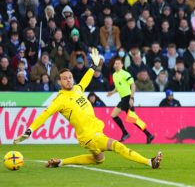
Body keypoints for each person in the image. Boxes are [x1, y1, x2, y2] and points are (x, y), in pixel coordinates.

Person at [13, 49, 162, 169]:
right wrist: (29, 131)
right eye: (64, 78)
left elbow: (85, 79)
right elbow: (44, 115)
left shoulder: (77, 88)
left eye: (70, 77)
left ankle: (61, 162)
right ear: (59, 82)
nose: (68, 79)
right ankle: (150, 162)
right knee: (117, 146)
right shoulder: (59, 100)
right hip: (89, 135)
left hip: (94, 131)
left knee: (99, 159)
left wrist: (93, 66)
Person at [107, 57, 154, 144]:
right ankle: (149, 135)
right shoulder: (114, 75)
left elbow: (133, 85)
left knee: (114, 115)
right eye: (115, 64)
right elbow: (118, 87)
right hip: (124, 99)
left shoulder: (125, 74)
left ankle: (126, 133)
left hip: (128, 98)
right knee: (133, 119)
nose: (116, 65)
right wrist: (112, 92)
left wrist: (131, 98)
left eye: (118, 63)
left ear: (122, 65)